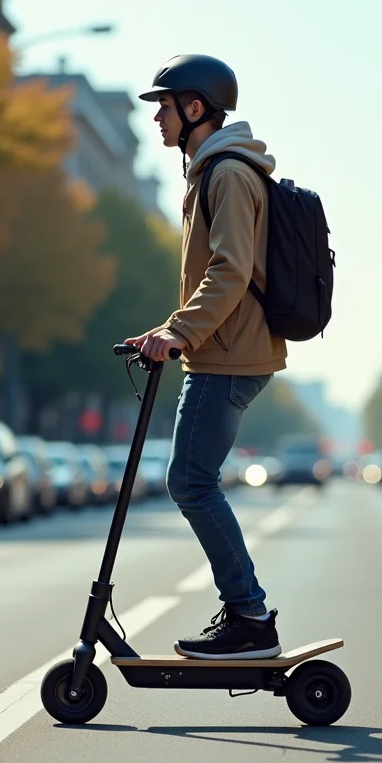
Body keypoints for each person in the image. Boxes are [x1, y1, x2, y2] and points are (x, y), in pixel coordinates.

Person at [124, 54, 286, 661]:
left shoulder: (227, 175)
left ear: (195, 108)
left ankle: (248, 616)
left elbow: (231, 270)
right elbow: (212, 277)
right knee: (193, 482)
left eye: (163, 107)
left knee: (191, 483)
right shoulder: (211, 172)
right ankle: (246, 612)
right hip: (221, 349)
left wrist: (182, 335)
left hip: (227, 356)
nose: (157, 120)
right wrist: (166, 329)